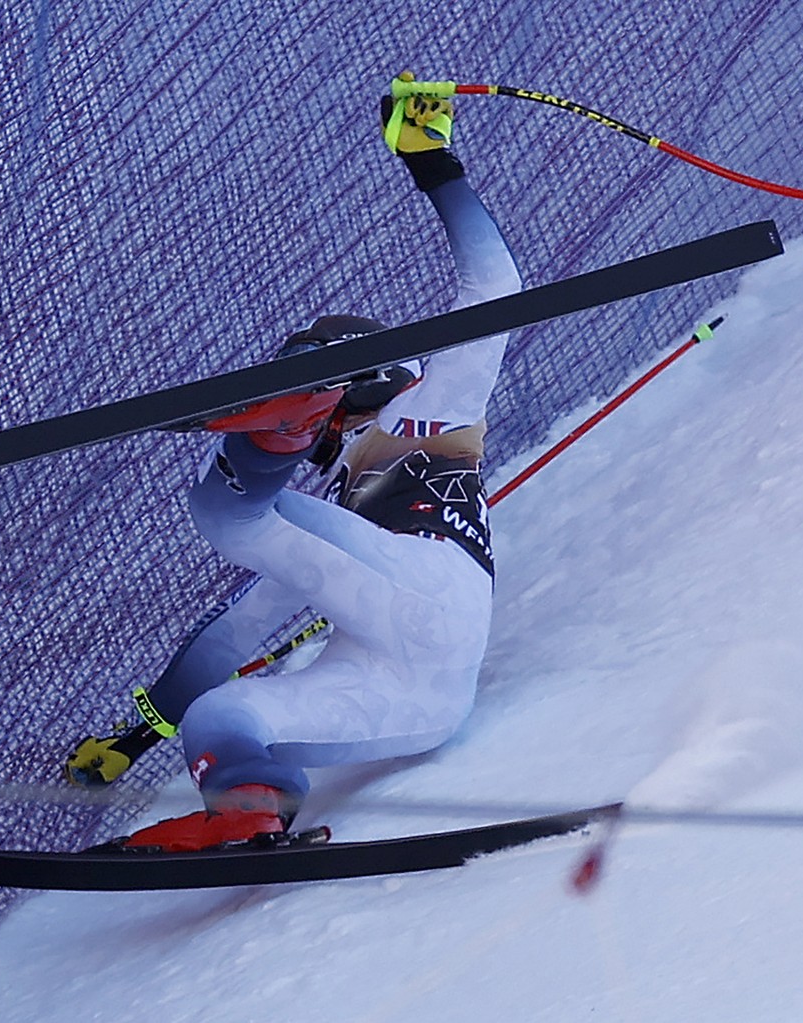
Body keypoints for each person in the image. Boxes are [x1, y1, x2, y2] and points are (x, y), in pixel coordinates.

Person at [107, 76, 523, 851]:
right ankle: (251, 817)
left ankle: (290, 404)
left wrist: (429, 157)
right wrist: (146, 731)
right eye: (300, 400)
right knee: (226, 719)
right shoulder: (329, 520)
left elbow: (497, 286)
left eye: (311, 394)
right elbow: (237, 634)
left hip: (426, 586)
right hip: (425, 699)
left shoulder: (431, 409)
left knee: (231, 511)